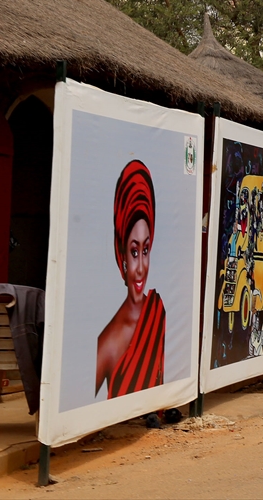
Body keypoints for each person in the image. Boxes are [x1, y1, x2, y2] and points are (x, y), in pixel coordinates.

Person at [96, 160, 165, 398]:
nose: (140, 267)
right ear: (121, 254)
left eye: (145, 250)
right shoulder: (108, 341)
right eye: (134, 252)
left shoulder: (157, 311)